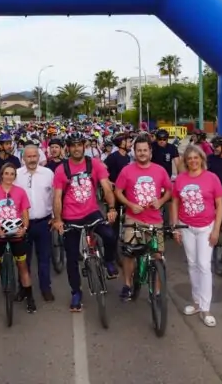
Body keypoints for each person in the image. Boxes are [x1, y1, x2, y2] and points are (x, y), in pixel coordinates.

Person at [51, 133, 119, 313]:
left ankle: (109, 261)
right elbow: (57, 197)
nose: (76, 148)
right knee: (72, 257)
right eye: (72, 145)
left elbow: (106, 187)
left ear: (84, 146)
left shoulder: (94, 164)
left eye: (79, 145)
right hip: (70, 216)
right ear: (68, 148)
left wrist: (112, 208)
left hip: (92, 212)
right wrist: (58, 220)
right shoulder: (61, 169)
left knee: (110, 236)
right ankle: (76, 292)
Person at [170, 144, 222, 327]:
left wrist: (216, 229)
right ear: (185, 161)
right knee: (192, 265)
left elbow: (220, 204)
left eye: (196, 157)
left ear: (202, 159)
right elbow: (175, 203)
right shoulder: (181, 179)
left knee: (203, 265)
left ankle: (206, 307)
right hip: (186, 226)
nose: (193, 161)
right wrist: (175, 227)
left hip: (205, 227)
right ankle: (196, 302)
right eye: (189, 158)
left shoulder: (212, 178)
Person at [113, 136, 173, 302]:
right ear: (134, 152)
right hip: (134, 219)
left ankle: (157, 292)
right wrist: (130, 204)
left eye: (145, 150)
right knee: (129, 253)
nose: (142, 153)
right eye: (139, 150)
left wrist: (160, 201)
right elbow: (118, 191)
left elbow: (169, 190)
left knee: (158, 256)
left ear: (150, 152)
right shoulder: (127, 170)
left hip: (155, 220)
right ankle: (127, 284)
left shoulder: (160, 170)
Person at [0, 163, 36, 314]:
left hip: (16, 236)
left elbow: (25, 215)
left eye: (12, 174)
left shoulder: (20, 192)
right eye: (6, 173)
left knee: (23, 267)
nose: (9, 176)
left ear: (15, 176)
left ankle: (30, 299)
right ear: (1, 175)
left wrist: (24, 229)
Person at [15, 144, 56, 302]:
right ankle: (23, 289)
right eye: (28, 157)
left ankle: (46, 288)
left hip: (43, 223)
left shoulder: (48, 174)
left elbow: (54, 197)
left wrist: (55, 216)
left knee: (44, 258)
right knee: (22, 259)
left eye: (34, 156)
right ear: (23, 158)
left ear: (39, 157)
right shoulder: (16, 175)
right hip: (22, 225)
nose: (32, 159)